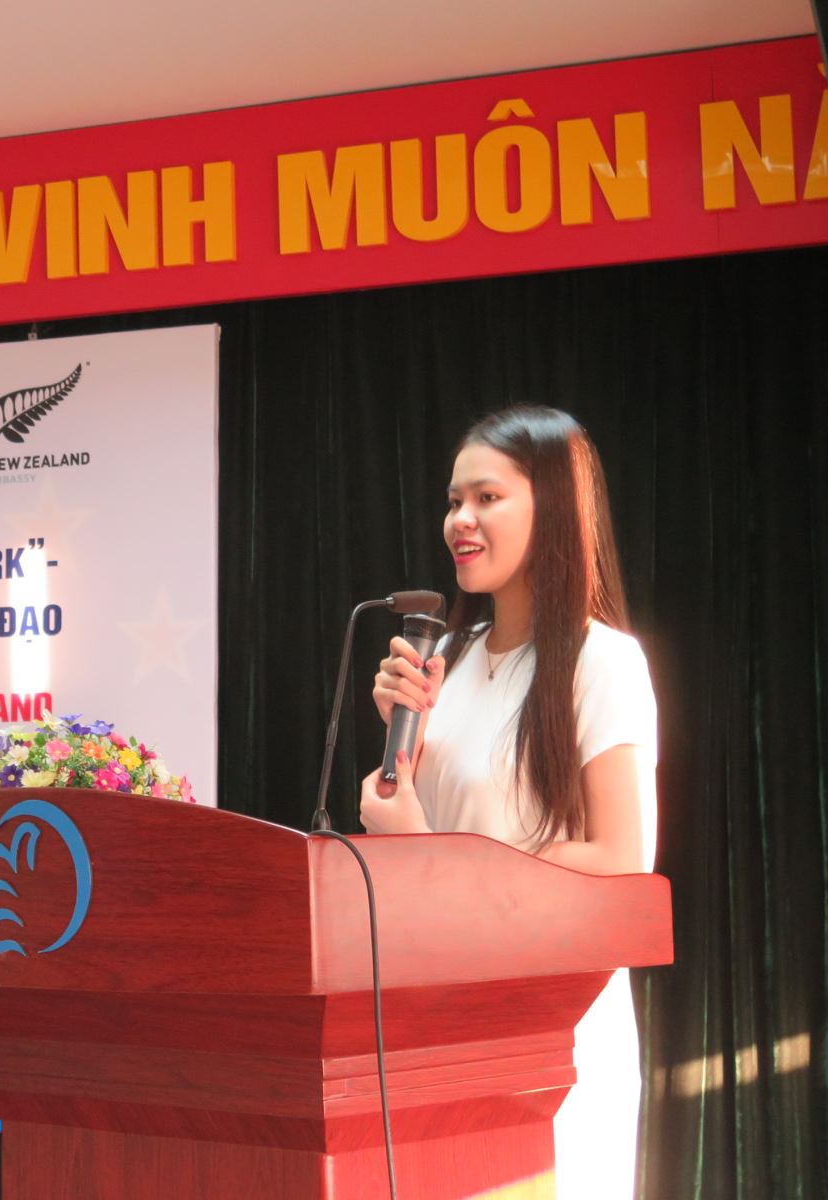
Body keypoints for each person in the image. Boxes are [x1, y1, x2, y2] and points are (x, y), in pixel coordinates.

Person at [358, 404, 658, 1200]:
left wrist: (429, 849)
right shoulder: (446, 660)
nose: (460, 519)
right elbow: (417, 852)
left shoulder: (603, 663)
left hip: (550, 1032)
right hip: (438, 1019)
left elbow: (622, 860)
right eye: (454, 500)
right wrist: (398, 757)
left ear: (552, 507)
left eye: (487, 498)